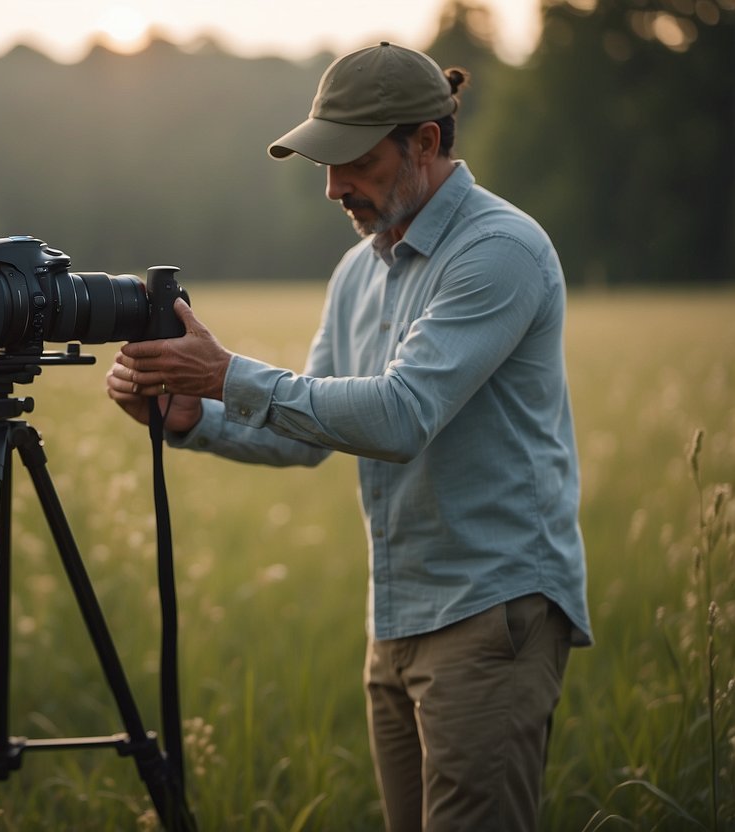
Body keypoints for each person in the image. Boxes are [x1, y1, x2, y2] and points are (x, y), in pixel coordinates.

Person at [105, 42, 592, 832]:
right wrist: (194, 418)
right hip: (396, 620)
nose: (334, 187)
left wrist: (224, 373)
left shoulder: (499, 252)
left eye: (356, 163)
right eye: (323, 165)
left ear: (425, 143)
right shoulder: (358, 272)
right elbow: (307, 435)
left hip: (490, 615)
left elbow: (397, 417)